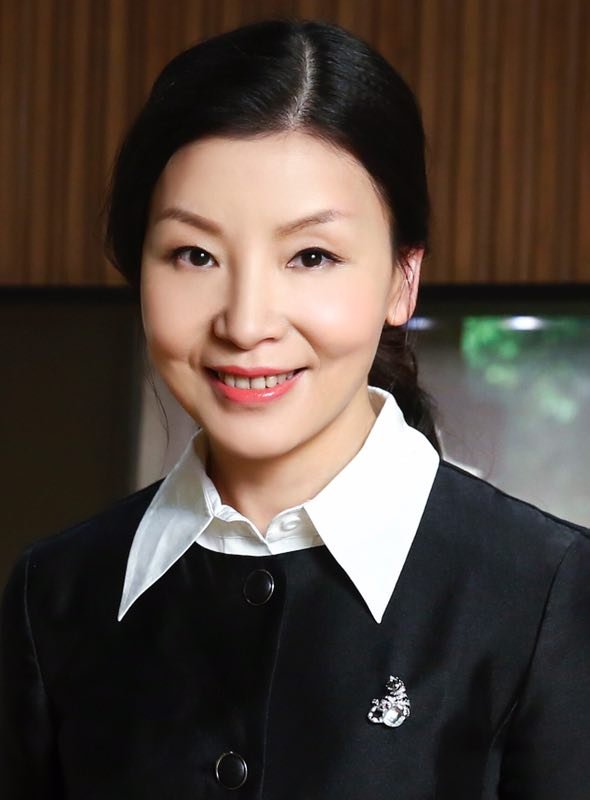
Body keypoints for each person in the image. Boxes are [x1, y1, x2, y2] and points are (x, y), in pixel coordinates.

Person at [1, 17, 589, 799]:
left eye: (312, 256)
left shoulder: (548, 592)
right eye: (194, 255)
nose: (247, 323)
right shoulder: (55, 593)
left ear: (401, 281)